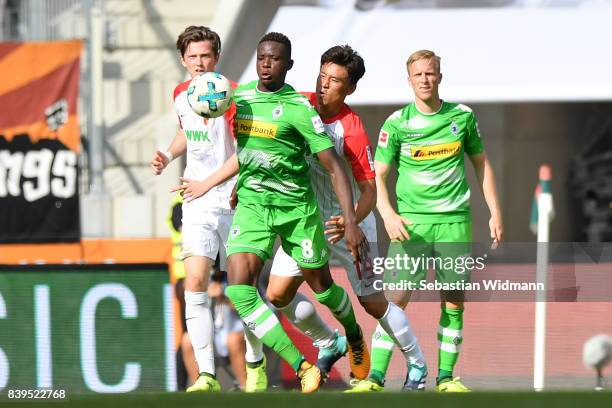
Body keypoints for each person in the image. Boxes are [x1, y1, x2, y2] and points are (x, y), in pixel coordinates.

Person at [176, 32, 369, 393]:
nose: (267, 64)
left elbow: (335, 167)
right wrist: (235, 181)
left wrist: (352, 221)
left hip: (297, 211)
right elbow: (245, 149)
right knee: (239, 290)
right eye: (262, 57)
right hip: (252, 206)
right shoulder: (241, 98)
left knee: (322, 287)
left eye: (275, 59)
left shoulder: (298, 107)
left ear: (288, 65)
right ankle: (301, 365)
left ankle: (354, 336)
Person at [259, 45, 427, 392]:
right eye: (322, 75)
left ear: (349, 89)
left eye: (335, 80)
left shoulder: (351, 129)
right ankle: (330, 341)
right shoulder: (298, 104)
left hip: (350, 226)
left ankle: (417, 364)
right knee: (277, 295)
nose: (324, 84)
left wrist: (351, 222)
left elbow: (370, 191)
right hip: (305, 222)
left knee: (373, 303)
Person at [373, 49, 503, 392]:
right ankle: (374, 378)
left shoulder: (462, 116)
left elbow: (481, 163)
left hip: (454, 222)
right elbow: (379, 174)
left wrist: (495, 211)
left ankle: (446, 378)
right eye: (418, 75)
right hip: (411, 225)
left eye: (430, 73)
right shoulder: (397, 123)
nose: (425, 80)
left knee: (453, 299)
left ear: (440, 77)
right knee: (394, 299)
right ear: (409, 80)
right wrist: (387, 213)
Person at [149, 25, 236, 392]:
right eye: (193, 57)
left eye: (206, 56)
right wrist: (168, 154)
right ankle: (206, 376)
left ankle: (256, 364)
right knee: (195, 282)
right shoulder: (181, 93)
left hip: (234, 197)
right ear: (183, 60)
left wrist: (209, 183)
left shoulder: (232, 95)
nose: (199, 63)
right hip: (196, 200)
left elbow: (244, 153)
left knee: (246, 289)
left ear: (215, 57)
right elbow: (187, 129)